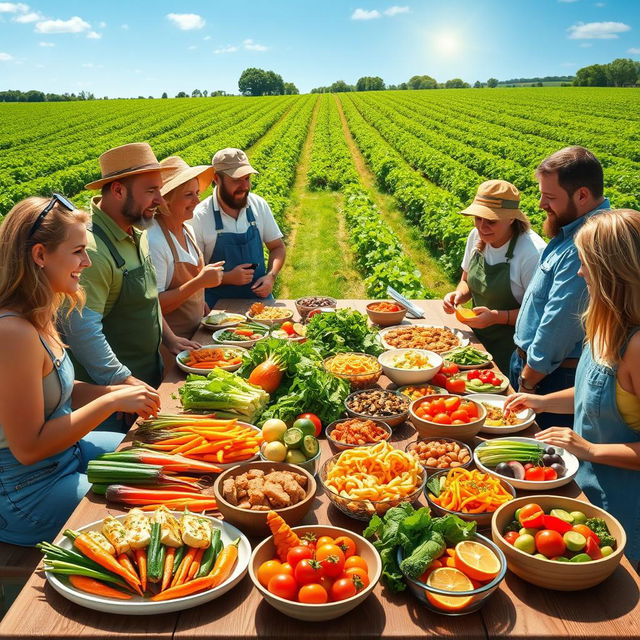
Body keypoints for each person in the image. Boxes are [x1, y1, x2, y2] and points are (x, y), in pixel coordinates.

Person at [0, 196, 161, 545]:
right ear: (40, 255)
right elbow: (28, 447)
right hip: (27, 489)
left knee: (158, 460)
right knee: (143, 508)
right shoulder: (12, 333)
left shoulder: (39, 311)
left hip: (66, 456)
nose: (87, 262)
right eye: (78, 251)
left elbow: (59, 388)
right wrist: (109, 404)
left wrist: (117, 393)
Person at [505, 209, 640, 565]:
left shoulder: (638, 347)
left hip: (625, 512)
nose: (580, 272)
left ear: (614, 273)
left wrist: (589, 449)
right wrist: (542, 401)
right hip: (586, 498)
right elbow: (595, 394)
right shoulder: (605, 325)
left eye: (586, 265)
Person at [60, 143, 194, 432]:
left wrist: (169, 338)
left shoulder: (136, 230)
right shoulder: (92, 249)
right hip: (111, 401)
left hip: (145, 381)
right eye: (151, 191)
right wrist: (120, 383)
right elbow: (82, 329)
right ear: (118, 191)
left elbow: (146, 297)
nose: (160, 199)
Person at [509, 146, 610, 429]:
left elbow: (560, 323)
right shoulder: (567, 228)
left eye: (550, 197)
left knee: (538, 455)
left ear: (582, 195)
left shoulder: (587, 241)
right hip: (537, 369)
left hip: (551, 378)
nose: (541, 203)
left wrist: (528, 379)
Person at [442, 180, 546, 373]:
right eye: (478, 219)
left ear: (511, 219)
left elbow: (538, 315)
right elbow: (466, 281)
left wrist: (496, 317)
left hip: (512, 350)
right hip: (475, 341)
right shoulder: (476, 236)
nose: (482, 227)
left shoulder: (532, 253)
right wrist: (457, 295)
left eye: (491, 221)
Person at [191, 148, 286, 307]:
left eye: (247, 178)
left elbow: (277, 247)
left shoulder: (258, 205)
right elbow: (192, 274)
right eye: (236, 180)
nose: (244, 186)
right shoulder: (200, 216)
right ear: (217, 179)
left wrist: (271, 276)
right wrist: (227, 277)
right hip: (217, 308)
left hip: (260, 304)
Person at [148, 156, 224, 343]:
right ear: (166, 200)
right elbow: (154, 305)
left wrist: (200, 303)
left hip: (197, 334)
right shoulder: (155, 240)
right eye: (189, 195)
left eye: (197, 193)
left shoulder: (187, 229)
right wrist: (199, 283)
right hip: (173, 345)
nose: (197, 201)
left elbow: (186, 287)